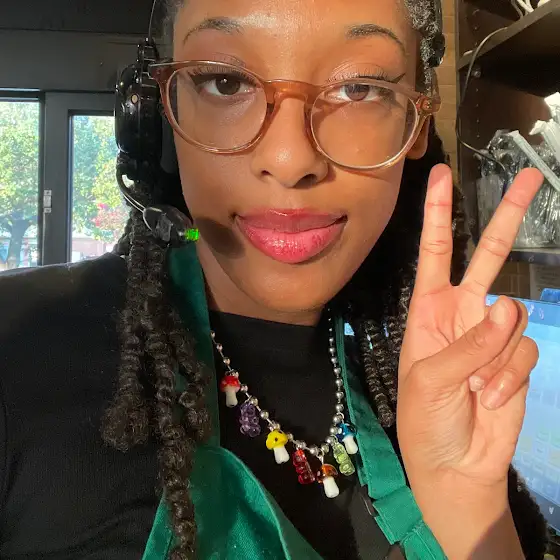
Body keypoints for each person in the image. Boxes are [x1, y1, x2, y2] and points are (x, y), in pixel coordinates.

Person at [0, 0, 551, 559]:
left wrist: (464, 497)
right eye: (224, 81)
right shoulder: (16, 354)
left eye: (359, 88)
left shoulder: (415, 385)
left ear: (416, 127)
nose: (290, 159)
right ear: (159, 111)